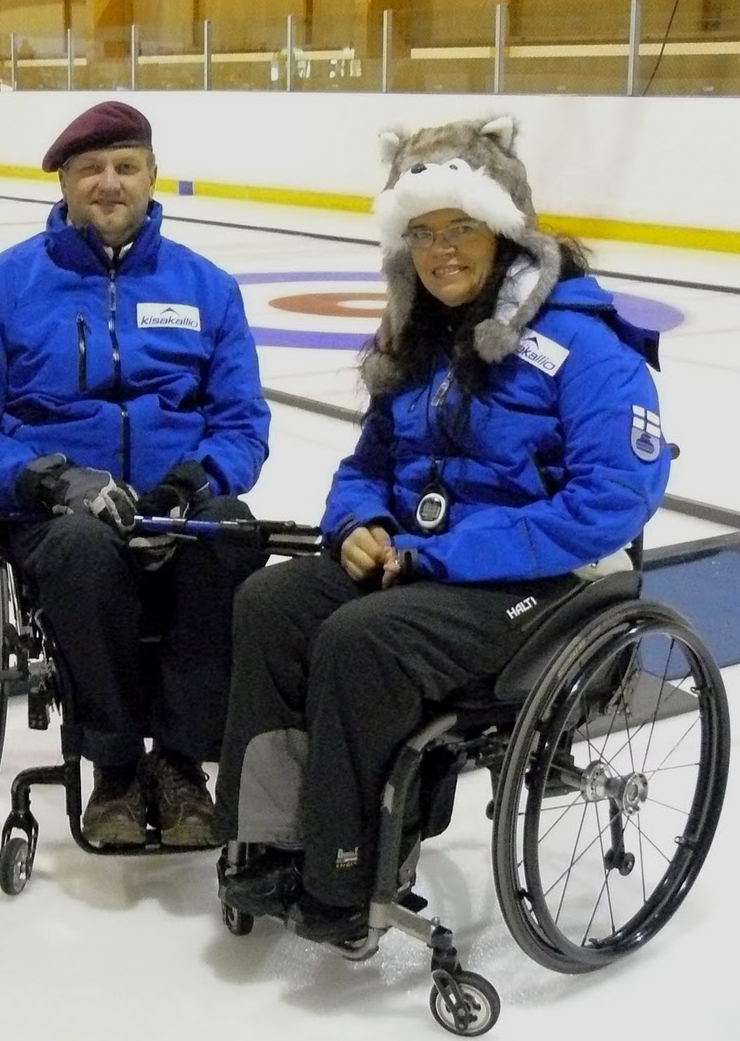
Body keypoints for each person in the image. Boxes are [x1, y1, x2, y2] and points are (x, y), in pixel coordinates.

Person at [215, 114, 670, 944]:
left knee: (366, 639)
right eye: (423, 232)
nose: (442, 250)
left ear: (503, 227)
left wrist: (442, 555)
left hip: (546, 582)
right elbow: (367, 466)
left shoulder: (588, 348)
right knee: (270, 603)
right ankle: (271, 841)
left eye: (461, 226)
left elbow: (610, 502)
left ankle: (346, 875)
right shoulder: (417, 344)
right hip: (425, 565)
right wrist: (358, 523)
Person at [0, 100, 271, 850]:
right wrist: (48, 480)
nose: (108, 183)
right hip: (58, 517)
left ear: (153, 177)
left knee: (234, 534)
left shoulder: (207, 286)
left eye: (125, 167)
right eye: (90, 170)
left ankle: (182, 763)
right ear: (64, 183)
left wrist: (193, 483)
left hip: (175, 506)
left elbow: (243, 422)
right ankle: (114, 767)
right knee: (86, 550)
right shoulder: (6, 285)